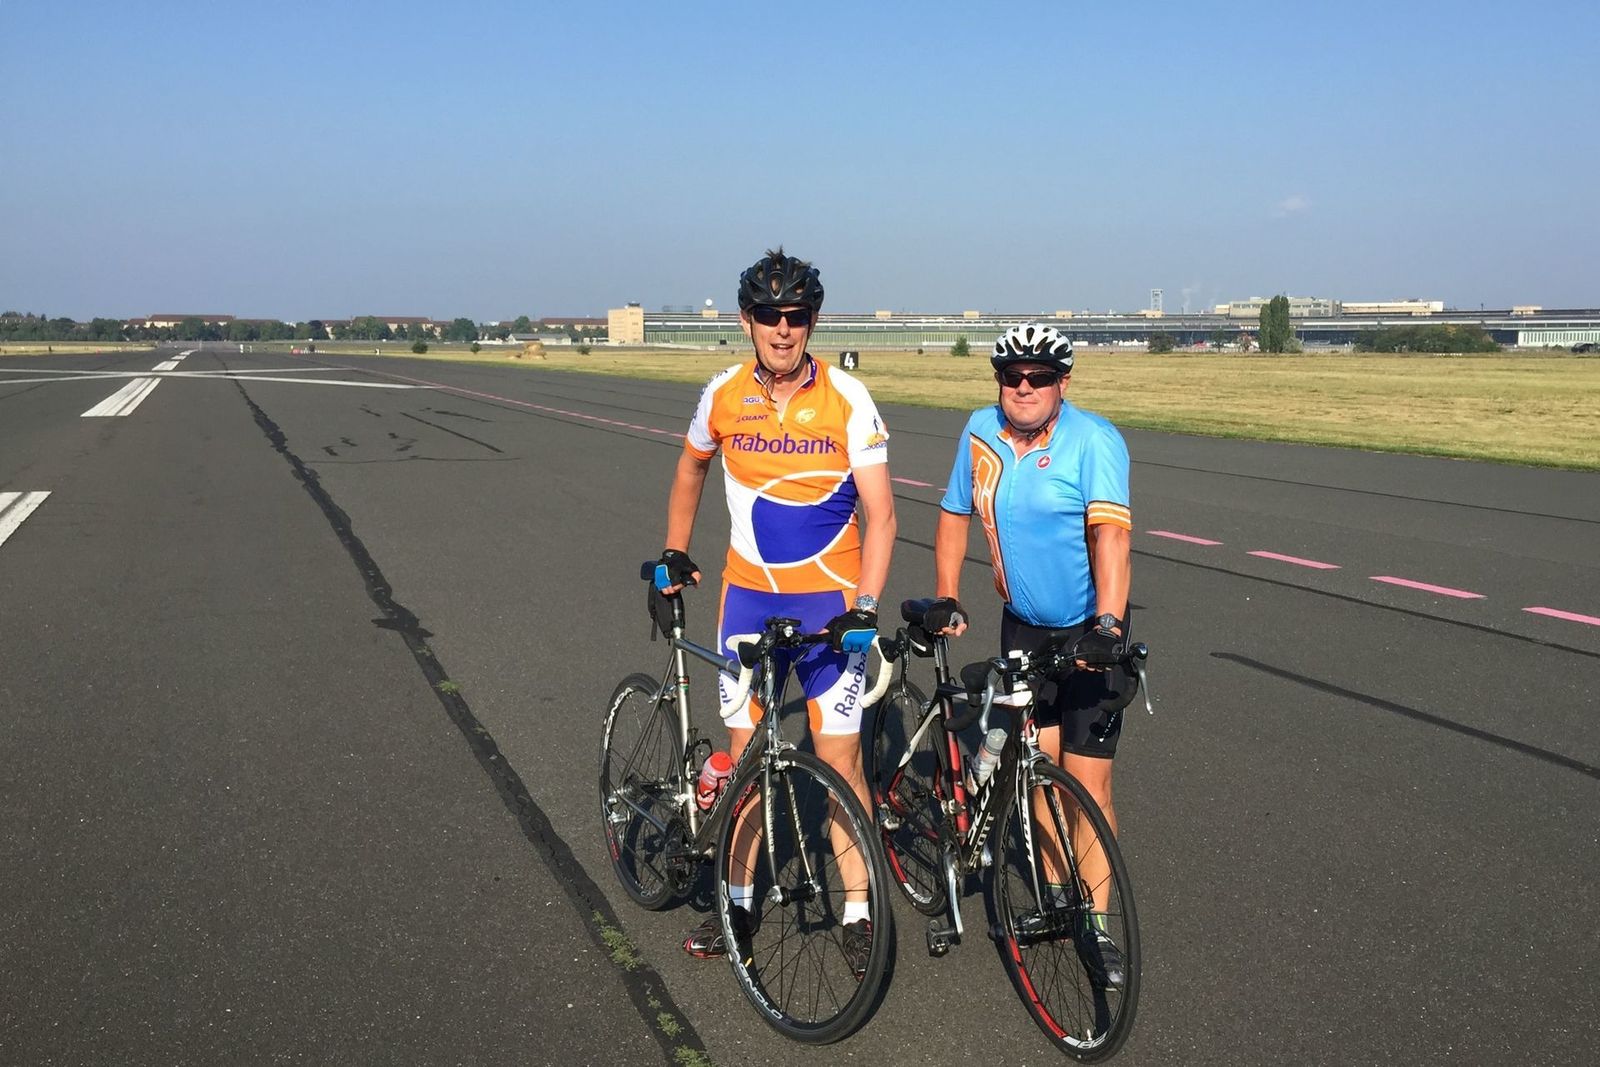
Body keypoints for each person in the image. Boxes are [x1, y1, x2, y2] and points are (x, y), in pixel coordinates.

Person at [653, 248, 896, 973]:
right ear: (747, 321)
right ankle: (736, 902)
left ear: (812, 321)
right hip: (748, 604)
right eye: (769, 315)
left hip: (830, 609)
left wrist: (866, 607)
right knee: (746, 760)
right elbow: (691, 465)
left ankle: (858, 910)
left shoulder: (848, 397)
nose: (782, 329)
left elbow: (882, 516)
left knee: (840, 760)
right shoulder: (723, 394)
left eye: (795, 316)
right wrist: (673, 550)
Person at [929, 323, 1135, 987]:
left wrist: (1108, 625)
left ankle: (1096, 921)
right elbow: (955, 512)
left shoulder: (1094, 440)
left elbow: (1111, 538)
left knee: (1089, 783)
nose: (1024, 386)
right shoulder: (979, 431)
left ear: (1062, 383)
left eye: (1039, 377)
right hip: (1023, 628)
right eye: (1012, 376)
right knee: (1038, 770)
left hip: (1089, 633)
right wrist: (947, 594)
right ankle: (1053, 896)